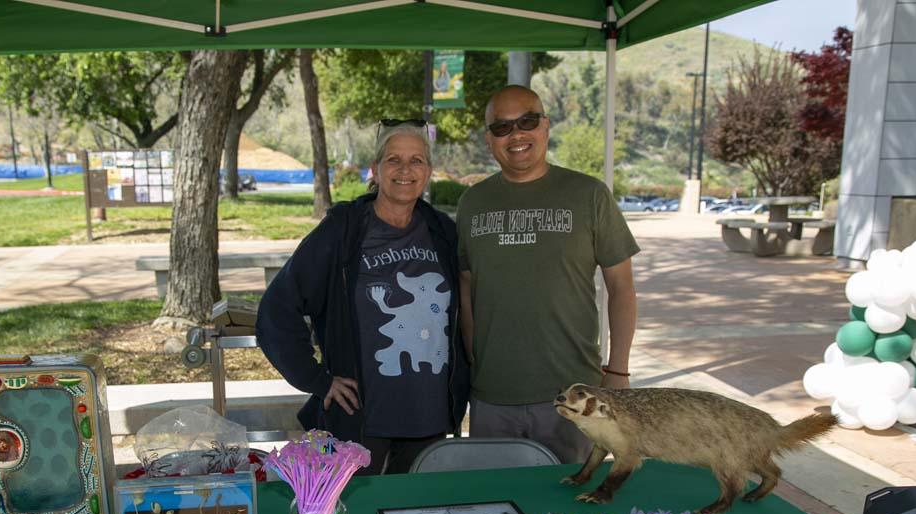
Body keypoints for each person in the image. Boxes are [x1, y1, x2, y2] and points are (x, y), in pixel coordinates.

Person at [256, 120, 469, 475]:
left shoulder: (442, 231)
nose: (405, 170)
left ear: (429, 171)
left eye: (416, 160)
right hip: (361, 419)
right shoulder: (345, 230)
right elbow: (277, 310)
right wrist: (317, 380)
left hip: (428, 417)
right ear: (376, 169)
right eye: (393, 160)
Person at [456, 85, 640, 465]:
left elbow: (621, 288)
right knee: (495, 509)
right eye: (502, 127)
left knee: (569, 507)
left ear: (546, 126)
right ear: (489, 138)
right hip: (493, 396)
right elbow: (467, 286)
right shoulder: (472, 203)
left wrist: (618, 370)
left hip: (572, 391)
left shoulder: (589, 194)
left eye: (527, 121)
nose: (517, 134)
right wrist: (477, 362)